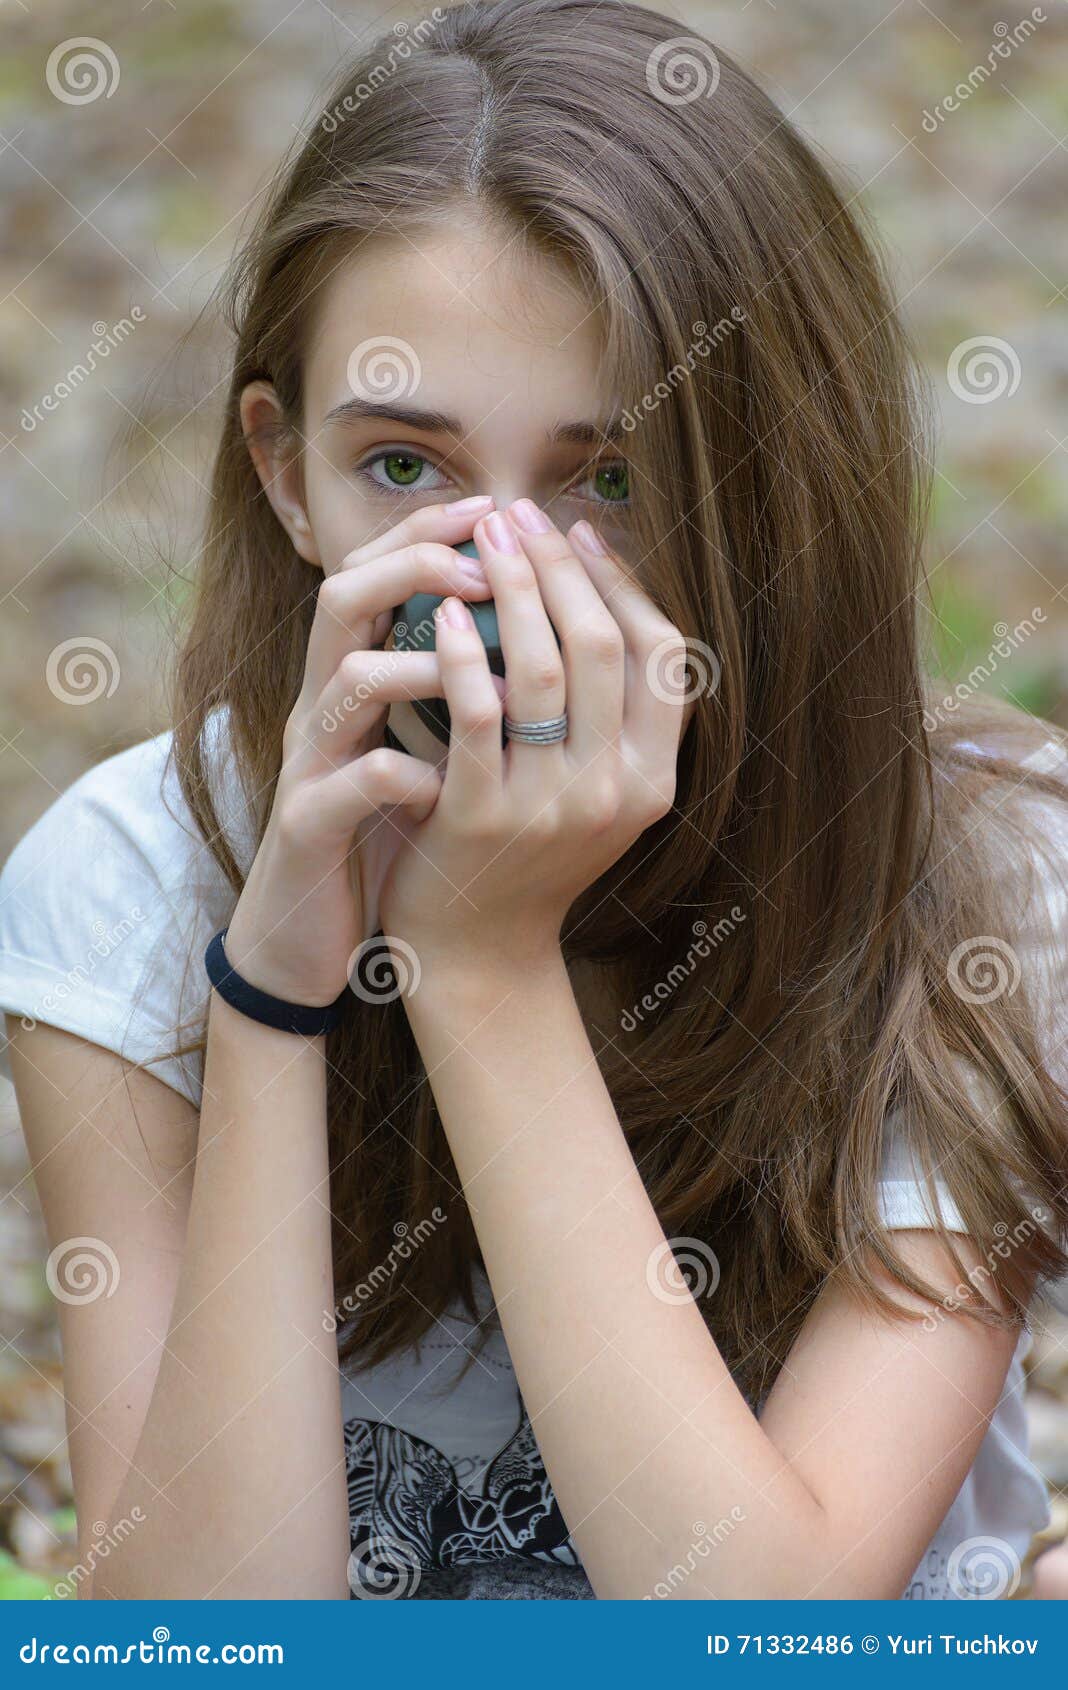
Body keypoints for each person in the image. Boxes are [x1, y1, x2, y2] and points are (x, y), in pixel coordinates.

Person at [2, 0, 1066, 1601]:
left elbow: (757, 1631)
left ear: (765, 491)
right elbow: (207, 1644)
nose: (494, 582)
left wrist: (480, 963)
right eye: (407, 469)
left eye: (610, 480)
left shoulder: (980, 876)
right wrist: (272, 998)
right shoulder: (136, 871)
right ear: (286, 471)